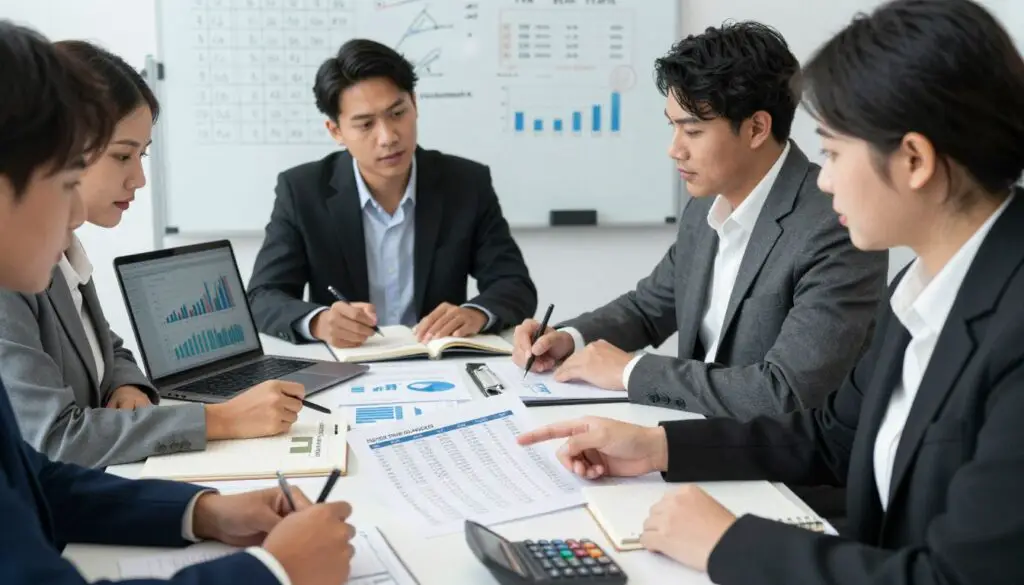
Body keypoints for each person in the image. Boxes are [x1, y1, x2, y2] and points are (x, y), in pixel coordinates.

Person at [517, 1, 1024, 583]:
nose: (825, 178)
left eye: (833, 152)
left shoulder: (1011, 326)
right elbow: (832, 435)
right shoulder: (924, 286)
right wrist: (660, 447)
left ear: (913, 160)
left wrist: (730, 544)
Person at [0, 21, 354, 585]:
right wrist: (272, 572)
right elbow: (53, 447)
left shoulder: (52, 258)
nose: (73, 216)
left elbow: (33, 478)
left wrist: (202, 511)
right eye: (67, 180)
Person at [512, 22, 889, 418]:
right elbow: (649, 307)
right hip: (694, 437)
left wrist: (630, 371)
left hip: (778, 470)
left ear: (757, 128)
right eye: (672, 126)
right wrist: (568, 338)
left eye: (692, 130)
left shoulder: (835, 226)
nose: (674, 149)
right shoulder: (704, 204)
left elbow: (786, 392)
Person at [0, 40, 307, 468]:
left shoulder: (66, 250)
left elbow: (108, 349)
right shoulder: (12, 274)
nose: (140, 179)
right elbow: (53, 438)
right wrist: (220, 419)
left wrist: (131, 388)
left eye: (141, 155)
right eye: (123, 156)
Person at [247, 38, 537, 349]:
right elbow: (262, 296)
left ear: (414, 103)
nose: (388, 137)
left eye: (397, 113)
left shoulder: (465, 183)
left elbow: (514, 284)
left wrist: (476, 314)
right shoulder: (303, 191)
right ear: (336, 131)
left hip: (440, 365)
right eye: (366, 124)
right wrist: (319, 321)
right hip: (347, 366)